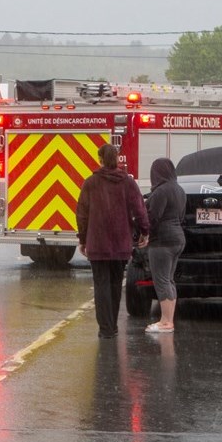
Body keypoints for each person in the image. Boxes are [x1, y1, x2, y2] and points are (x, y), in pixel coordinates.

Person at [77, 143, 150, 340]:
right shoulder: (127, 183)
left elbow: (82, 214)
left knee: (101, 285)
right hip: (120, 243)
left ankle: (105, 328)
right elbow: (139, 209)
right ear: (117, 159)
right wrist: (145, 231)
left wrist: (83, 239)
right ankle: (113, 325)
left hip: (98, 242)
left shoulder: (91, 183)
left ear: (100, 160)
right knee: (116, 284)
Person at [144, 157, 185, 334]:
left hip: (162, 241)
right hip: (178, 238)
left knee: (161, 280)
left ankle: (165, 321)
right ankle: (169, 320)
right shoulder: (179, 190)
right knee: (169, 279)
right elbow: (181, 216)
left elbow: (153, 218)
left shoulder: (161, 191)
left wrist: (144, 234)